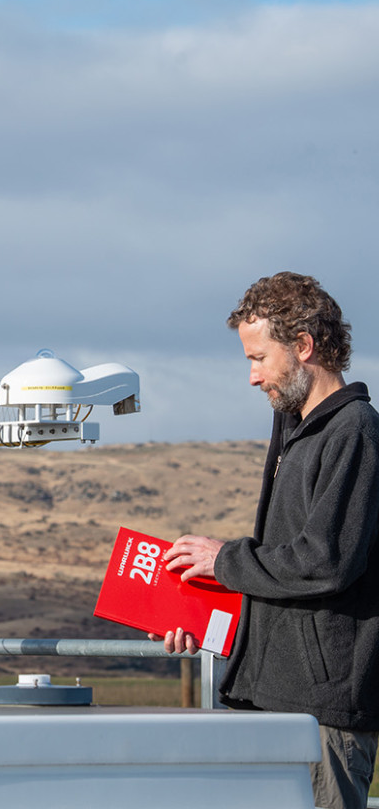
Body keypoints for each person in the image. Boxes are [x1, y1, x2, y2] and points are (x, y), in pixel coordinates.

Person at [155, 272, 379, 809]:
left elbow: (324, 562)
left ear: (303, 347)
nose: (252, 377)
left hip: (322, 714)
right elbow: (284, 573)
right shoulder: (295, 428)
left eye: (259, 358)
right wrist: (205, 613)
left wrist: (224, 559)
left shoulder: (355, 432)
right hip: (267, 697)